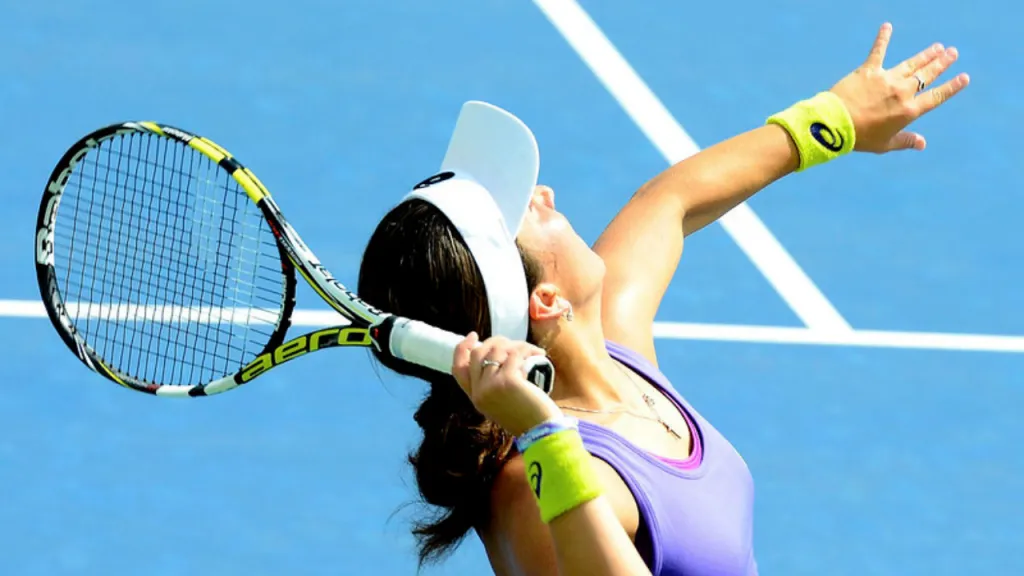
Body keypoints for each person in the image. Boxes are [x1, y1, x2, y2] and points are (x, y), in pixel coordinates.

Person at [357, 23, 969, 576]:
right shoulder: (530, 493)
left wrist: (835, 118)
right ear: (544, 299)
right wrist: (544, 436)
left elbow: (670, 201)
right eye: (527, 210)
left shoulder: (615, 350)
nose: (544, 193)